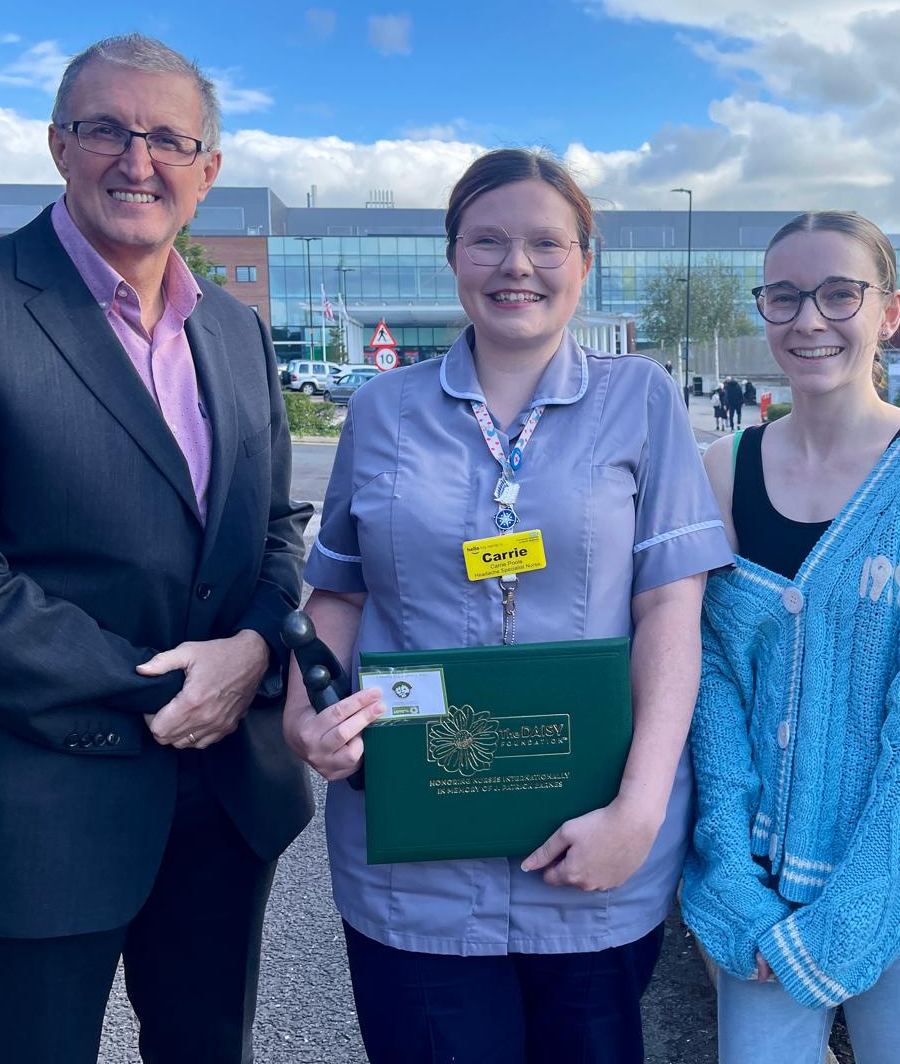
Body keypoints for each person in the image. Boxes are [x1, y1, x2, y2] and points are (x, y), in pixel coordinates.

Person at [0, 33, 313, 1062]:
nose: (135, 160)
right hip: (32, 798)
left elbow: (277, 531)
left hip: (222, 799)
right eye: (105, 128)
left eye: (165, 138)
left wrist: (249, 652)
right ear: (59, 143)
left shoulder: (235, 333)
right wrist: (171, 689)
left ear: (209, 170)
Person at [285, 148, 732, 1063]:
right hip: (414, 850)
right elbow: (336, 589)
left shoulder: (640, 400)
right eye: (487, 240)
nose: (515, 266)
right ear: (453, 258)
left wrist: (640, 815)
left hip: (593, 845)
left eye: (544, 243)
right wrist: (306, 716)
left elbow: (671, 613)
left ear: (584, 261)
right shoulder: (382, 411)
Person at [683, 211, 900, 1063]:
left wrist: (854, 917)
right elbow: (711, 687)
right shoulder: (723, 468)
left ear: (890, 312)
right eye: (784, 297)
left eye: (838, 294)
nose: (809, 320)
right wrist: (730, 874)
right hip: (764, 883)